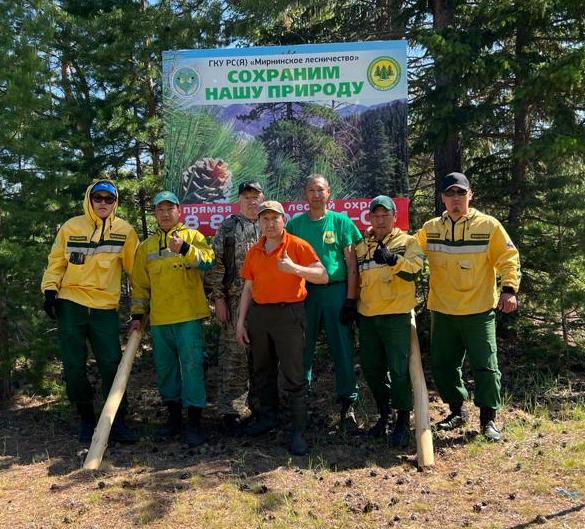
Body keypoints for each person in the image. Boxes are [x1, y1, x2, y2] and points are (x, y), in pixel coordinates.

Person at [417, 172, 520, 441]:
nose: (455, 199)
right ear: (442, 198)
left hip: (479, 311)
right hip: (443, 311)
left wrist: (509, 289)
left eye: (461, 193)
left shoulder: (488, 225)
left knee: (486, 366)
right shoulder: (430, 229)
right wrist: (380, 237)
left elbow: (508, 257)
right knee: (443, 366)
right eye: (450, 194)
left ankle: (488, 420)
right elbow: (411, 251)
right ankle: (456, 411)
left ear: (470, 195)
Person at [41, 180, 139, 444]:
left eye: (109, 199)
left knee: (111, 364)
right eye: (98, 198)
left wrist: (139, 308)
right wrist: (50, 291)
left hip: (104, 308)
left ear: (115, 202)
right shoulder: (71, 227)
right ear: (90, 200)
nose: (103, 203)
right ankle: (85, 418)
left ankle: (116, 420)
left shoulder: (125, 231)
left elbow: (137, 272)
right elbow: (56, 262)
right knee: (73, 365)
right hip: (71, 303)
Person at [236, 200, 328, 455]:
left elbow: (323, 276)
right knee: (262, 370)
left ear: (283, 220)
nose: (270, 223)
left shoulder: (297, 245)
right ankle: (268, 418)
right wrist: (241, 322)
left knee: (293, 374)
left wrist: (293, 268)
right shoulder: (254, 251)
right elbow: (248, 288)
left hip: (289, 314)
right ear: (259, 223)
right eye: (265, 219)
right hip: (259, 316)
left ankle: (298, 430)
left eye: (274, 218)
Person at [129, 191, 214, 447]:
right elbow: (140, 286)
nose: (165, 214)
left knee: (192, 368)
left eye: (170, 209)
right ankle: (173, 419)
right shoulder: (146, 247)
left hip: (189, 316)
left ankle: (194, 423)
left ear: (179, 211)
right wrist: (137, 315)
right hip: (159, 320)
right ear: (155, 214)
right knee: (166, 370)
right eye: (160, 209)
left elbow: (208, 261)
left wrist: (185, 249)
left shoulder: (194, 236)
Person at [286, 175, 362, 430]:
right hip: (305, 294)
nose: (316, 195)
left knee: (342, 347)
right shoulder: (295, 225)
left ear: (329, 193)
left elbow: (352, 264)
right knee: (302, 349)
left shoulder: (341, 222)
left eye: (320, 190)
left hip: (336, 292)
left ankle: (348, 403)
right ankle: (300, 403)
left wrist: (350, 299)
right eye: (311, 190)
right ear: (305, 194)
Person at [356, 196, 425, 447]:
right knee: (372, 369)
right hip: (367, 316)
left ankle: (403, 421)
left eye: (386, 215)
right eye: (376, 216)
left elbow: (416, 271)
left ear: (395, 217)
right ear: (370, 218)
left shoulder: (407, 242)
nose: (381, 220)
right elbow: (355, 276)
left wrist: (394, 260)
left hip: (396, 315)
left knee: (398, 370)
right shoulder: (361, 246)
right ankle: (385, 415)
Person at [205, 181, 264, 434]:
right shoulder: (228, 227)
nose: (252, 201)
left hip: (265, 302)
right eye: (247, 197)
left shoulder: (270, 223)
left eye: (256, 196)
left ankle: (260, 408)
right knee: (233, 357)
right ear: (239, 200)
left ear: (262, 198)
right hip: (235, 300)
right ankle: (230, 412)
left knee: (263, 357)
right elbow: (216, 263)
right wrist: (218, 299)